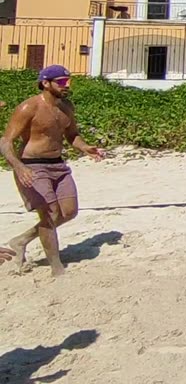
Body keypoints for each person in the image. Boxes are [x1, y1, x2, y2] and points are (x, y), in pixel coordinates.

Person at [1, 65, 106, 276]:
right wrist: (19, 167)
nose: (67, 85)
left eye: (68, 81)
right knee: (50, 215)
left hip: (58, 165)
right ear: (45, 83)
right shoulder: (28, 108)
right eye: (61, 82)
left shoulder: (67, 107)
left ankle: (21, 240)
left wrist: (85, 147)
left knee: (69, 212)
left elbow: (72, 134)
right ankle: (56, 268)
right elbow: (6, 141)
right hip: (32, 166)